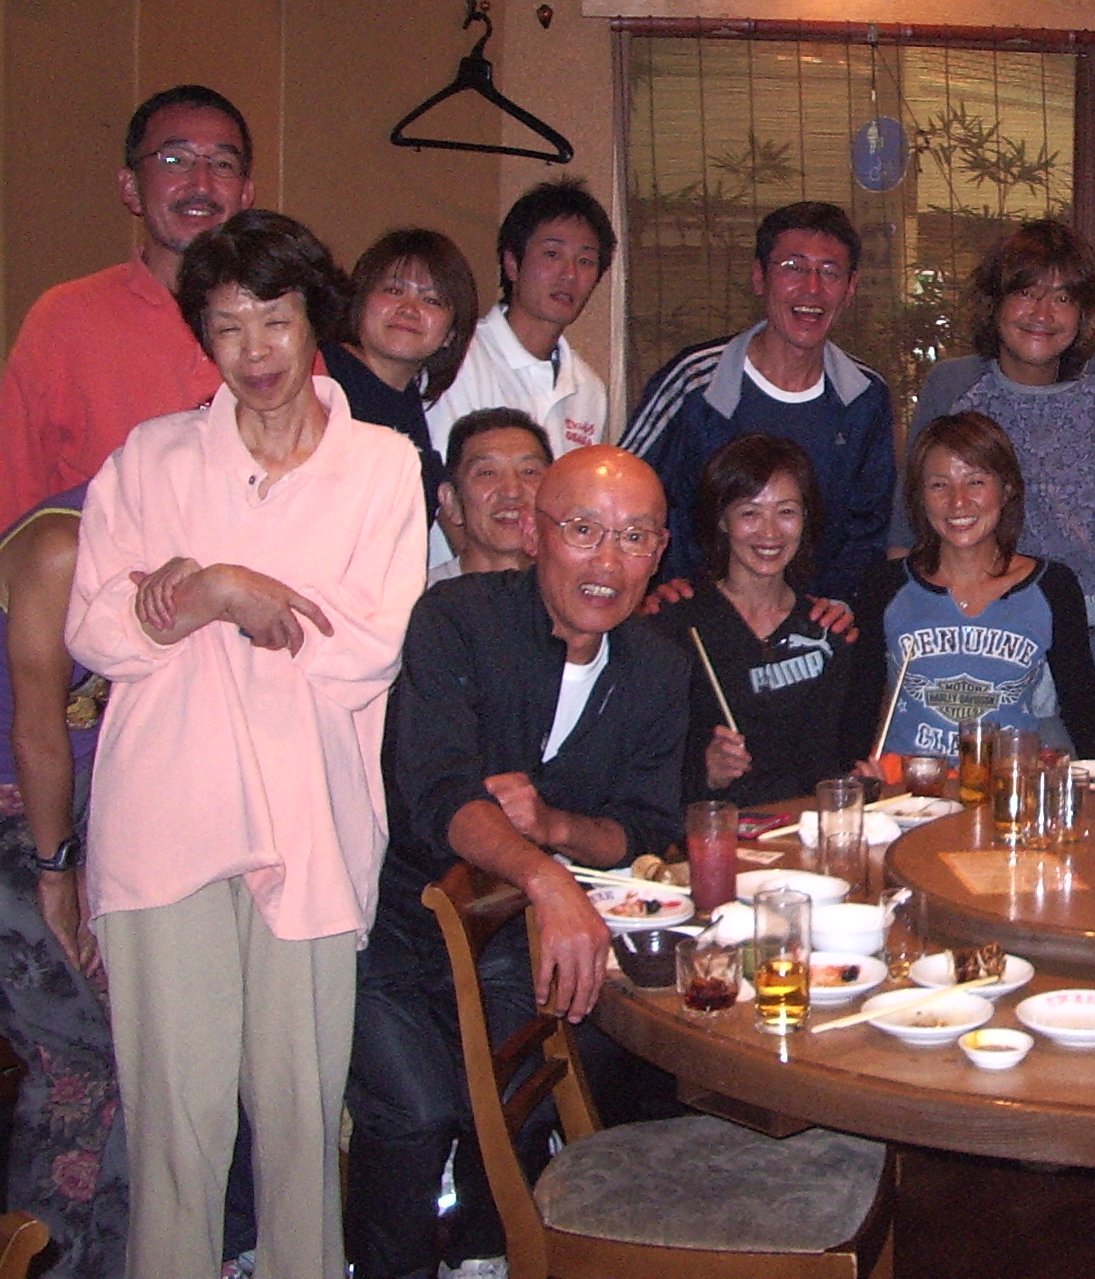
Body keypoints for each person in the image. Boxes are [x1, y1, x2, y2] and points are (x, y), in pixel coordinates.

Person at [66, 210, 424, 1279]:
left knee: (305, 1123)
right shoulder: (152, 458)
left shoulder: (380, 464)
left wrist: (194, 599)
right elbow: (96, 630)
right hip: (164, 823)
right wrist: (224, 591)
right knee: (175, 1131)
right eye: (225, 328)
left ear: (315, 320)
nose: (254, 350)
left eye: (274, 320)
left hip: (308, 822)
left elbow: (370, 650)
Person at [347, 446, 687, 1279]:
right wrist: (545, 876)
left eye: (633, 538)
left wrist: (557, 828)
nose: (607, 561)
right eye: (583, 530)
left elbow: (643, 830)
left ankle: (486, 1257)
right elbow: (438, 795)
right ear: (536, 534)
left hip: (509, 940)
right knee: (416, 1113)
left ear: (659, 552)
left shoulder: (658, 667)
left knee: (521, 1100)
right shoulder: (457, 620)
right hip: (392, 918)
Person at [0, 85, 256, 527]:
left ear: (246, 195)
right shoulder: (66, 318)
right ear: (131, 187)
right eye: (175, 160)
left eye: (222, 164)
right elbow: (13, 505)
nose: (201, 184)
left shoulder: (280, 320)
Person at [890, 220, 1095, 643]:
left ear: (1083, 314)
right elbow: (910, 521)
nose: (1042, 314)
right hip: (985, 624)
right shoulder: (954, 388)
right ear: (995, 302)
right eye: (1026, 293)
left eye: (1062, 298)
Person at [621, 201, 894, 598]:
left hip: (810, 622)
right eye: (794, 268)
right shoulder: (695, 381)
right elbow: (626, 491)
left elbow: (867, 527)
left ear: (850, 289)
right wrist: (653, 587)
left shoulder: (865, 398)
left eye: (830, 272)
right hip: (692, 617)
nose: (812, 288)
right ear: (758, 277)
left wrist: (838, 603)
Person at [0, 489, 125, 1278]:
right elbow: (38, 733)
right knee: (84, 1054)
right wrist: (60, 876)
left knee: (152, 1040)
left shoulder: (180, 550)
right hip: (20, 813)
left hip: (84, 811)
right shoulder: (64, 546)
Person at [844, 412, 1095, 763]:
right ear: (919, 496)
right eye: (939, 485)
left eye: (976, 482)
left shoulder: (1052, 587)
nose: (958, 501)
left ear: (1007, 489)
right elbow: (857, 713)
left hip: (1009, 785)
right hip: (909, 788)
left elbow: (1085, 714)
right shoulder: (886, 585)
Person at [652, 435, 856, 806]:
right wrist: (703, 772)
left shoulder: (826, 633)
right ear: (722, 519)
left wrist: (860, 786)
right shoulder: (675, 626)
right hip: (710, 830)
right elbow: (641, 771)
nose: (770, 532)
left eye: (786, 511)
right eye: (750, 512)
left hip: (801, 828)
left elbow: (827, 764)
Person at [425, 176, 612, 464]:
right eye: (552, 254)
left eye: (585, 261)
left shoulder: (590, 390)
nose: (570, 274)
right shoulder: (460, 357)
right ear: (512, 264)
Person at [324, 228, 480, 524]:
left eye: (432, 300)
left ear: (451, 334)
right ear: (360, 301)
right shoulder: (320, 375)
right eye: (394, 291)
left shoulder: (409, 402)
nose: (409, 309)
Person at [428, 408, 552, 587]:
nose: (512, 491)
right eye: (487, 473)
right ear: (451, 501)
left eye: (529, 471)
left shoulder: (577, 598)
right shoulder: (414, 598)